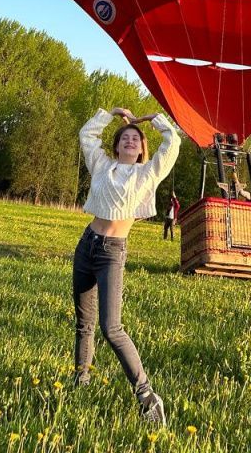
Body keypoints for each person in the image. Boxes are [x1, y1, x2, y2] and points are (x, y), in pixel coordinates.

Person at [73, 106, 181, 425]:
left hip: (112, 252)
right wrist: (110, 114)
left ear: (141, 148)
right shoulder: (102, 165)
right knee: (84, 324)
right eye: (126, 138)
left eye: (136, 138)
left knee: (112, 328)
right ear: (117, 145)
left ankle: (147, 397)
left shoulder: (147, 173)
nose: (131, 140)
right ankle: (81, 383)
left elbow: (172, 142)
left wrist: (152, 120)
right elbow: (87, 135)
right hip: (87, 245)